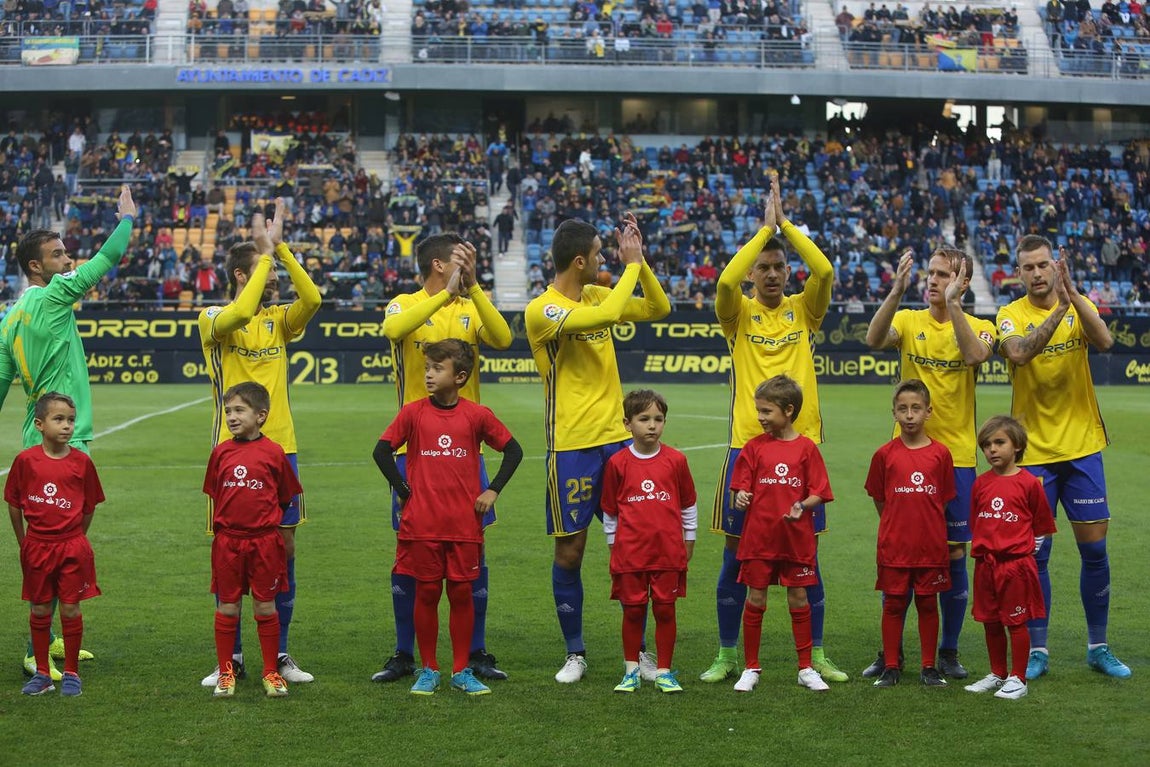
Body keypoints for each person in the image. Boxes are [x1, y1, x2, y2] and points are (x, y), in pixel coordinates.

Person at [704, 173, 846, 685]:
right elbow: (725, 283)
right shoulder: (738, 313)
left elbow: (824, 269)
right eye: (762, 267)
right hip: (746, 449)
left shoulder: (804, 310)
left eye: (778, 266)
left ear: (787, 271)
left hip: (801, 451)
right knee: (735, 555)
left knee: (808, 556)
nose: (770, 273)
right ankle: (727, 654)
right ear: (752, 273)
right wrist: (763, 233)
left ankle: (817, 654)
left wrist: (784, 225)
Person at [524, 213, 670, 684]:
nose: (606, 260)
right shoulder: (542, 310)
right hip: (570, 446)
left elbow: (659, 307)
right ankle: (575, 654)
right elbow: (605, 318)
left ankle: (639, 652)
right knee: (571, 551)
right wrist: (630, 267)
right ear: (579, 261)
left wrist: (639, 263)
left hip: (618, 444)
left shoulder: (598, 294)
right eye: (600, 255)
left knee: (635, 549)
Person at [0, 184, 134, 682]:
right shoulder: (55, 296)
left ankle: (51, 637)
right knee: (55, 549)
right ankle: (35, 651)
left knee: (59, 546)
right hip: (60, 442)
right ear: (36, 267)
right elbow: (106, 261)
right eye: (57, 254)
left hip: (38, 437)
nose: (68, 259)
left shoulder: (9, 319)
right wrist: (126, 218)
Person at [374, 235, 513, 684]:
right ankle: (404, 653)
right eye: (460, 257)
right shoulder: (405, 303)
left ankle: (475, 652)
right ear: (438, 263)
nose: (468, 261)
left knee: (473, 554)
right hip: (413, 454)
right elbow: (394, 331)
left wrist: (473, 288)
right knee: (409, 557)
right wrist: (443, 296)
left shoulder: (471, 305)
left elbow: (504, 338)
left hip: (466, 454)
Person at [197, 198, 322, 688]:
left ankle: (281, 651)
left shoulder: (278, 319)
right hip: (229, 453)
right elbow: (242, 308)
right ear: (239, 274)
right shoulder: (213, 317)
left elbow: (312, 300)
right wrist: (265, 258)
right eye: (264, 274)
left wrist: (281, 251)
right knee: (228, 551)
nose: (273, 284)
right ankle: (231, 658)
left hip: (280, 448)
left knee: (283, 548)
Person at [996, 236, 1130, 679]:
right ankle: (1038, 651)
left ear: (1055, 266)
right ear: (1019, 273)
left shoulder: (1079, 303)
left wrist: (1073, 299)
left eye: (1043, 265)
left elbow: (1105, 341)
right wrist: (1060, 309)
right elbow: (1019, 353)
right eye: (1028, 267)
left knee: (1095, 551)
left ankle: (1099, 646)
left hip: (1082, 447)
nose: (1036, 273)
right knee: (1035, 557)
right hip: (1033, 453)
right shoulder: (1010, 314)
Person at [863, 248, 996, 680]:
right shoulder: (908, 320)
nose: (933, 281)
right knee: (900, 554)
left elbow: (974, 356)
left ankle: (948, 651)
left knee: (954, 553)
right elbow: (873, 338)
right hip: (903, 456)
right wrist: (896, 291)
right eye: (931, 274)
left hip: (956, 457)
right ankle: (892, 654)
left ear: (963, 282)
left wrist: (954, 304)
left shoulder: (981, 326)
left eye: (944, 275)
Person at [728, 375, 834, 693]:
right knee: (756, 598)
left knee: (799, 598)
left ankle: (805, 668)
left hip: (795, 540)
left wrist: (802, 505)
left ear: (788, 410)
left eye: (766, 411)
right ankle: (751, 668)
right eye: (758, 410)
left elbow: (820, 492)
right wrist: (741, 497)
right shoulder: (753, 448)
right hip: (759, 539)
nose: (760, 417)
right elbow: (738, 490)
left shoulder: (806, 449)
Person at [202, 382, 302, 698]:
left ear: (261, 415)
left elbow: (285, 497)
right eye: (228, 411)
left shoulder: (274, 452)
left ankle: (271, 672)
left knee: (265, 605)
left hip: (264, 543)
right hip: (229, 543)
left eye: (239, 410)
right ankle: (226, 671)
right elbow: (215, 493)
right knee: (228, 606)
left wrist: (261, 523)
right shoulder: (220, 453)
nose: (231, 417)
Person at [6, 393, 105, 697]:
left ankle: (72, 672)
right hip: (37, 547)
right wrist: (23, 541)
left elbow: (89, 506)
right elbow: (14, 503)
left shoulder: (82, 462)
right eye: (58, 419)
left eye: (71, 420)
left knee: (71, 608)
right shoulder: (26, 461)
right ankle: (43, 674)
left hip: (72, 547)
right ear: (39, 424)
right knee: (39, 608)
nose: (66, 426)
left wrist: (76, 537)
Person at [601, 389, 698, 695]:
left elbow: (688, 504)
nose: (652, 425)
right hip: (630, 554)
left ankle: (664, 672)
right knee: (632, 611)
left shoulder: (676, 460)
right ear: (627, 424)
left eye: (658, 419)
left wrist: (689, 538)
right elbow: (610, 511)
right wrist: (613, 545)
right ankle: (631, 671)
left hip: (667, 552)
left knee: (666, 611)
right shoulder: (617, 463)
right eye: (644, 419)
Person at [864, 379, 956, 688]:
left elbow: (942, 500)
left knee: (928, 604)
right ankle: (891, 667)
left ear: (928, 412)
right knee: (893, 604)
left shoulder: (941, 454)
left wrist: (925, 526)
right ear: (894, 413)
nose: (909, 415)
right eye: (902, 409)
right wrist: (896, 523)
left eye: (916, 408)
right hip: (895, 546)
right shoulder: (884, 454)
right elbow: (880, 498)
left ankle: (929, 667)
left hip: (930, 547)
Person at [965, 415, 1057, 700]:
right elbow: (976, 522)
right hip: (986, 564)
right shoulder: (980, 484)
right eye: (986, 445)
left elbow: (1042, 526)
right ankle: (998, 673)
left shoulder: (1029, 483)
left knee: (1016, 622)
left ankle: (1018, 678)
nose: (992, 449)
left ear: (1016, 445)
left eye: (999, 442)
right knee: (990, 621)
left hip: (1015, 566)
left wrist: (1021, 552)